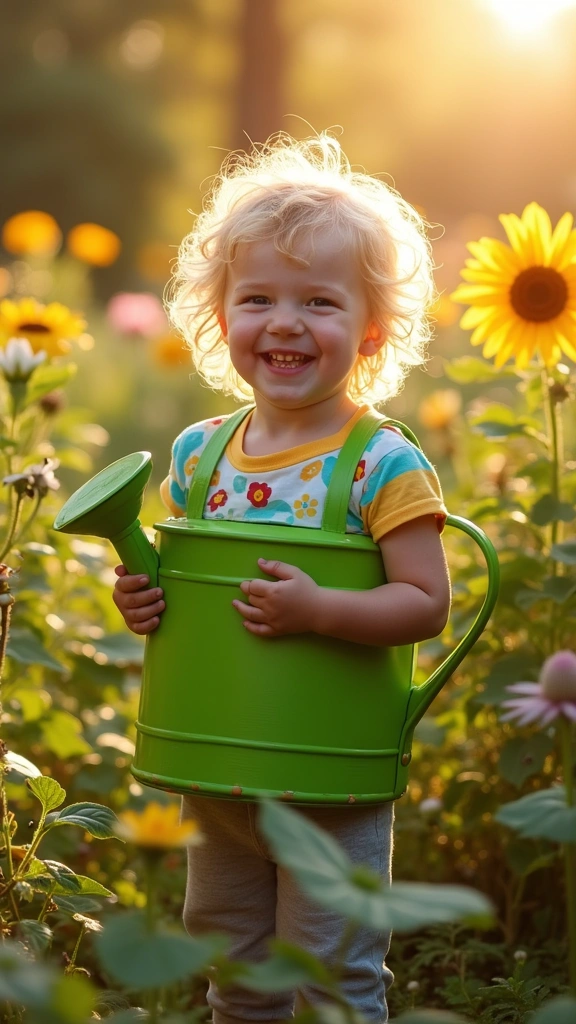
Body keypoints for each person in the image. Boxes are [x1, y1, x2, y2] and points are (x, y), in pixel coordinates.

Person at [113, 132, 451, 1024]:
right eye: (257, 297)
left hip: (329, 774)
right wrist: (143, 598)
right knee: (232, 962)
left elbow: (427, 602)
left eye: (319, 301)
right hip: (218, 765)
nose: (286, 322)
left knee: (333, 973)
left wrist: (319, 610)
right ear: (220, 315)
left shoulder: (380, 463)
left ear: (372, 330)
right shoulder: (200, 456)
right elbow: (186, 594)